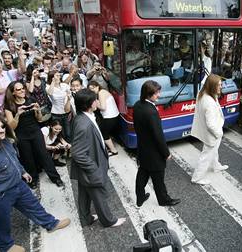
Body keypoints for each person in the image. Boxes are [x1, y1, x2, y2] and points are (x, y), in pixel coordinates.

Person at [0, 114, 70, 252]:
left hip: (18, 185)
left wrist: (22, 172)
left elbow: (12, 159)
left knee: (34, 206)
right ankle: (6, 246)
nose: (2, 130)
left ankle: (51, 224)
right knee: (2, 224)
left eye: (3, 126)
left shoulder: (3, 141)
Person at [70, 89, 126, 227]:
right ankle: (108, 221)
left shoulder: (83, 117)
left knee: (84, 194)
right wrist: (93, 169)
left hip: (87, 168)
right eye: (95, 100)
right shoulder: (84, 124)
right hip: (90, 168)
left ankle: (86, 218)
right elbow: (78, 153)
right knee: (98, 195)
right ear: (89, 104)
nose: (97, 102)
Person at [4, 81, 64, 189]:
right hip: (21, 135)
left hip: (35, 131)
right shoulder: (9, 106)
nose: (22, 90)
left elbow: (40, 120)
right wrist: (17, 114)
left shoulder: (31, 100)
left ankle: (56, 178)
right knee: (28, 158)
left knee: (44, 155)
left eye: (23, 88)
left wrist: (38, 111)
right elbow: (11, 127)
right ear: (13, 92)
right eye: (18, 89)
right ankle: (33, 180)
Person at [134, 80, 180, 207]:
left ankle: (140, 196)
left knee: (143, 173)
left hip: (143, 148)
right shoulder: (151, 112)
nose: (158, 95)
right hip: (154, 152)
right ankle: (164, 200)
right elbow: (158, 136)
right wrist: (166, 153)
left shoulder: (138, 105)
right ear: (148, 94)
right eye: (156, 93)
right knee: (158, 177)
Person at [190, 74, 229, 185]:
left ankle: (216, 166)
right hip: (212, 132)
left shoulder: (203, 93)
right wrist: (219, 133)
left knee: (213, 150)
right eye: (219, 85)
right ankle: (197, 178)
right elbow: (210, 124)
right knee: (206, 155)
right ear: (212, 86)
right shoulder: (209, 102)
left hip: (209, 131)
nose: (221, 87)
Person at [88, 81, 120, 156]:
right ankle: (109, 147)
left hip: (110, 117)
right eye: (90, 89)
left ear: (97, 86)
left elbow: (103, 108)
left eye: (93, 88)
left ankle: (114, 151)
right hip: (113, 115)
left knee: (104, 134)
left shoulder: (101, 93)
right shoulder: (102, 92)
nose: (92, 90)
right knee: (104, 131)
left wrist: (95, 102)